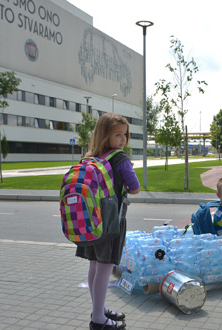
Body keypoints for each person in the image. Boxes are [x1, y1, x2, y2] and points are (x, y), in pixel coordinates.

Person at [76, 113, 140, 330]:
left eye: (125, 134)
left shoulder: (88, 158)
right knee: (105, 266)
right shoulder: (120, 159)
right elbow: (135, 187)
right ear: (105, 135)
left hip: (92, 221)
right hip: (112, 222)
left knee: (95, 264)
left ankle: (98, 309)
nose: (123, 140)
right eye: (118, 135)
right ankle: (98, 320)